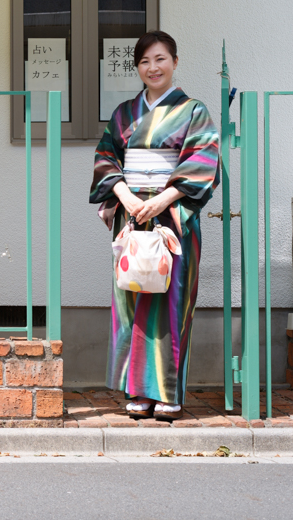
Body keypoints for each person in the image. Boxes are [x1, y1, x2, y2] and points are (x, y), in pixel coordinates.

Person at [89, 31, 220, 422]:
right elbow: (106, 158)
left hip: (171, 216)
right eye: (145, 61)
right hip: (132, 217)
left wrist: (163, 200)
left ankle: (167, 393)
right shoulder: (124, 113)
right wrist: (127, 199)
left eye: (160, 59)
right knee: (131, 297)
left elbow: (203, 160)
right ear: (138, 68)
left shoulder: (193, 111)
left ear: (175, 62)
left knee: (169, 299)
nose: (153, 68)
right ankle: (137, 390)